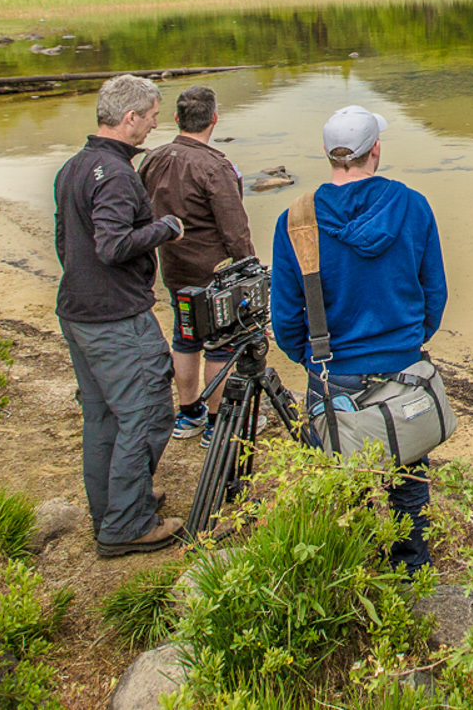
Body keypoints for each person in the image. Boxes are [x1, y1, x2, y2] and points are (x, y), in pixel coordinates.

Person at [269, 104, 447, 571]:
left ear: (329, 155)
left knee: (340, 478)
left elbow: (286, 318)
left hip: (332, 372)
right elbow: (434, 294)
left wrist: (310, 356)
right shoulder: (412, 204)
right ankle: (411, 567)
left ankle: (354, 564)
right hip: (403, 365)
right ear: (376, 151)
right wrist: (408, 342)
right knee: (410, 474)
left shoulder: (296, 219)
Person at [53, 74, 186, 557]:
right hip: (114, 318)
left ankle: (113, 507)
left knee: (103, 417)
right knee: (148, 414)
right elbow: (111, 245)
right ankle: (127, 524)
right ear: (129, 118)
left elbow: (65, 240)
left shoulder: (75, 166)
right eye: (150, 116)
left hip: (79, 312)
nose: (154, 124)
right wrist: (164, 229)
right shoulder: (114, 174)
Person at [140, 84, 255, 445]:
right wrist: (250, 272)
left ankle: (188, 413)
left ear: (176, 119)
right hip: (214, 273)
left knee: (185, 338)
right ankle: (217, 423)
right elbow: (235, 231)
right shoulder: (215, 166)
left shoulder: (153, 159)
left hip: (175, 270)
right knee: (221, 345)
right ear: (214, 119)